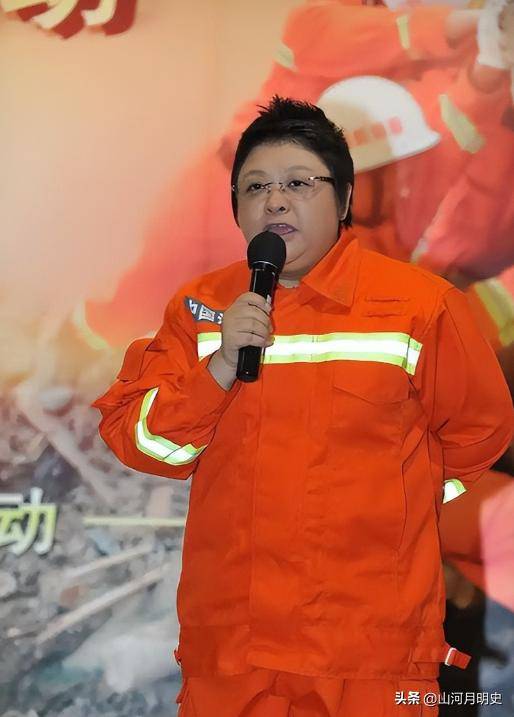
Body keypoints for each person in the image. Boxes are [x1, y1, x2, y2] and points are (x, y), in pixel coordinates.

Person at [93, 97, 513, 716]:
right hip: (235, 648)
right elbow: (142, 441)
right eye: (255, 186)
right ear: (236, 206)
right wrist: (219, 366)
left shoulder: (421, 306)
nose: (275, 201)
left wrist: (395, 501)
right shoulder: (199, 309)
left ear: (343, 199)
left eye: (297, 183)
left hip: (370, 643)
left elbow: (480, 429)